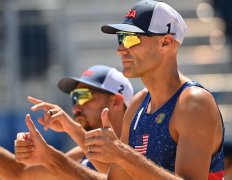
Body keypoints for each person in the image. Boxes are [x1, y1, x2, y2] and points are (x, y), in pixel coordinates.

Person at [83, 0, 225, 179]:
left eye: (130, 38)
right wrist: (51, 158)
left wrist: (122, 154)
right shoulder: (137, 104)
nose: (120, 49)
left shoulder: (194, 102)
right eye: (120, 38)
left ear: (165, 42)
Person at [0, 65, 134, 179]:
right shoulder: (79, 154)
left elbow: (115, 175)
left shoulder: (140, 141)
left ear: (116, 101)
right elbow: (18, 174)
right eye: (74, 98)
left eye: (85, 96)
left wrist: (71, 128)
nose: (76, 106)